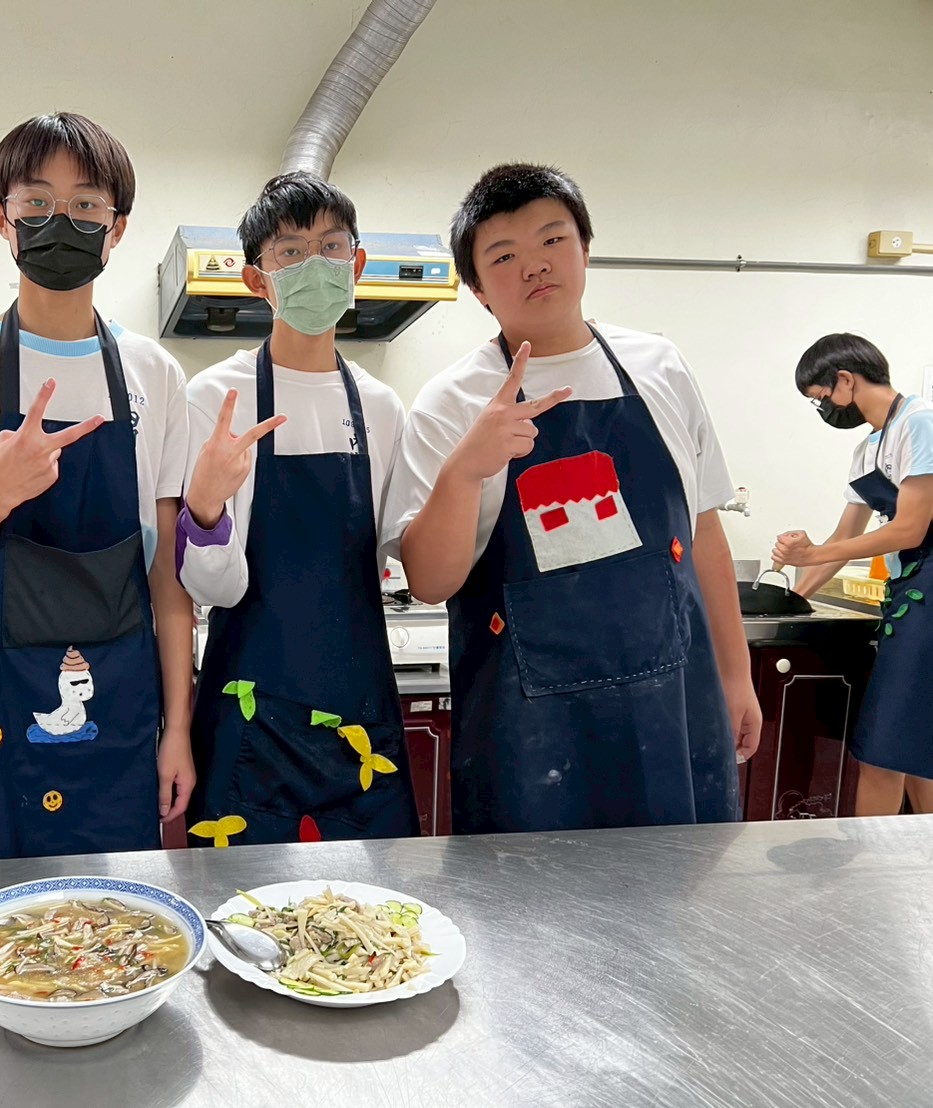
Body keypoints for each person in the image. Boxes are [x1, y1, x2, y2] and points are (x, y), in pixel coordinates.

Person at [384, 163, 759, 835]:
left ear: (585, 249)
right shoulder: (452, 401)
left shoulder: (659, 366)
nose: (534, 265)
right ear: (477, 289)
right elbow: (431, 582)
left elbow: (704, 531)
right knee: (533, 897)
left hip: (673, 703)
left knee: (680, 888)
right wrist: (464, 472)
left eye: (552, 240)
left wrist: (736, 676)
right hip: (526, 731)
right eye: (504, 256)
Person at [0, 112, 194, 863]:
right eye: (37, 201)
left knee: (112, 914)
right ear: (4, 219)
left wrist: (178, 728)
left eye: (86, 204)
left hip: (114, 701)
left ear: (116, 229)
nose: (62, 219)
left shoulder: (154, 374)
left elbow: (166, 576)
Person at [178, 171, 418, 847]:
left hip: (359, 709)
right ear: (257, 280)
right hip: (246, 714)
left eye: (331, 247)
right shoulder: (215, 398)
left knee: (376, 899)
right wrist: (205, 507)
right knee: (234, 895)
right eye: (290, 252)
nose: (314, 265)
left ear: (356, 265)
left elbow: (406, 559)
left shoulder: (380, 407)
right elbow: (211, 588)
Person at [774, 333, 933, 815]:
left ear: (845, 379)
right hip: (908, 591)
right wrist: (790, 599)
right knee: (914, 751)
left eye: (820, 397)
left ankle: (870, 863)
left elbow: (909, 528)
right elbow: (844, 538)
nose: (824, 409)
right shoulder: (869, 448)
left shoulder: (920, 423)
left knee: (884, 752)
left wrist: (813, 554)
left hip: (928, 593)